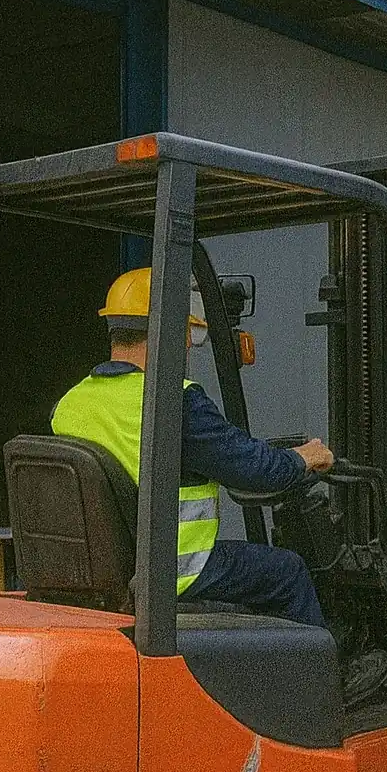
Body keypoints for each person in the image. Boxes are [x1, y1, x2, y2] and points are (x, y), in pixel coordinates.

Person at [51, 268, 334, 626]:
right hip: (178, 570)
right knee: (288, 571)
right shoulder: (175, 402)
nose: (187, 345)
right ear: (169, 331)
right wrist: (304, 458)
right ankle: (314, 682)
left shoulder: (70, 404)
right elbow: (255, 471)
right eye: (186, 332)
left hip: (110, 571)